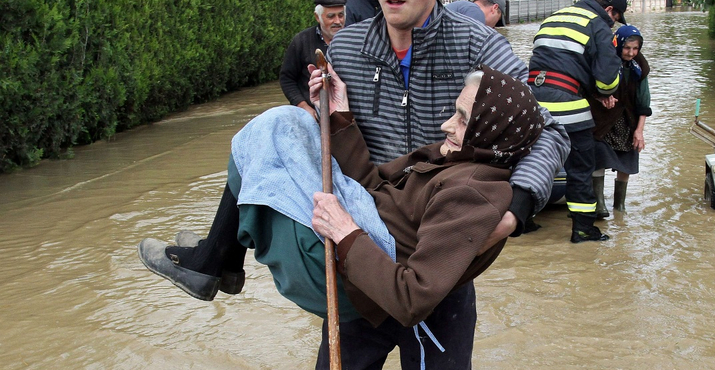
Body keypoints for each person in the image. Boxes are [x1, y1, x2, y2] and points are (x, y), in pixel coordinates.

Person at [139, 66, 547, 368]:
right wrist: (342, 116)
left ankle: (216, 261)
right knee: (289, 123)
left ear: (491, 129)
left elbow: (411, 296)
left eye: (461, 117)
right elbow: (376, 192)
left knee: (274, 129)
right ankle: (217, 258)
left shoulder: (473, 190)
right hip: (373, 258)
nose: (446, 124)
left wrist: (346, 231)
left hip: (381, 269)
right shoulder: (451, 156)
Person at [527, 0, 627, 243]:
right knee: (581, 168)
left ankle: (523, 220)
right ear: (609, 10)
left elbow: (555, 63)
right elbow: (607, 81)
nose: (613, 23)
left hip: (532, 103)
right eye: (615, 17)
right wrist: (604, 92)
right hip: (567, 105)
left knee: (530, 161)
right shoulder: (598, 25)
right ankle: (582, 230)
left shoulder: (554, 17)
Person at [588, 25, 651, 217]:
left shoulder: (640, 68)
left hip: (628, 120)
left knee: (627, 161)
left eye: (635, 49)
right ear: (618, 44)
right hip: (603, 120)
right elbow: (588, 87)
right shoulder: (604, 60)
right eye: (626, 48)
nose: (631, 53)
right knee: (598, 157)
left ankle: (620, 206)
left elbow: (643, 103)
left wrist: (639, 131)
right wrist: (601, 98)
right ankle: (599, 204)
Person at [279, 0, 346, 119]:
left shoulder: (355, 41)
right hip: (313, 116)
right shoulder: (301, 41)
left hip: (346, 115)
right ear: (317, 17)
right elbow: (287, 79)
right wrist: (303, 106)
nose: (337, 21)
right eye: (331, 16)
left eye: (341, 15)